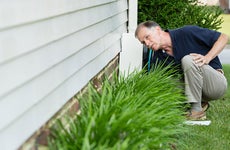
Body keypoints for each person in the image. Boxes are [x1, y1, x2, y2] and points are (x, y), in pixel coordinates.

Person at [135, 21, 229, 120]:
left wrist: (207, 58)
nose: (147, 43)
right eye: (143, 42)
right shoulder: (158, 58)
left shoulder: (187, 32)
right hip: (198, 90)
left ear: (158, 30)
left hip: (215, 85)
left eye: (147, 37)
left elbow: (223, 37)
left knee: (188, 60)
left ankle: (196, 110)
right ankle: (193, 105)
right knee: (161, 82)